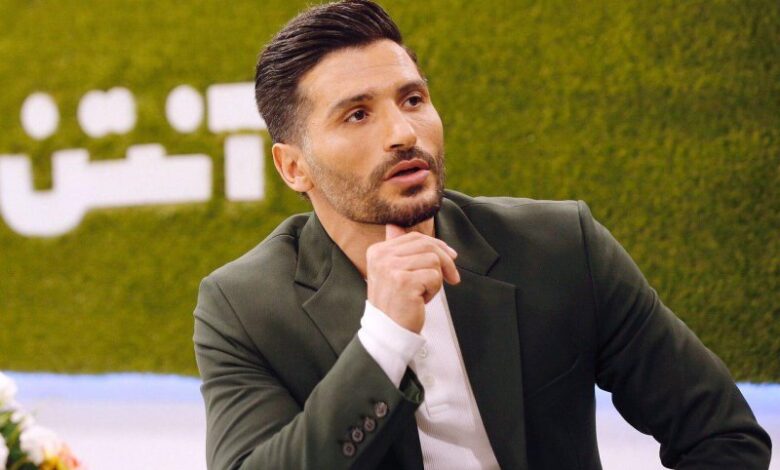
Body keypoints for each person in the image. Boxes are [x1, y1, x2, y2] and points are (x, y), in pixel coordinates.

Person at [193, 1, 772, 468]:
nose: (403, 132)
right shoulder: (243, 306)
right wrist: (384, 340)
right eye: (358, 115)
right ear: (294, 167)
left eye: (413, 99)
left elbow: (724, 437)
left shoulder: (560, 247)